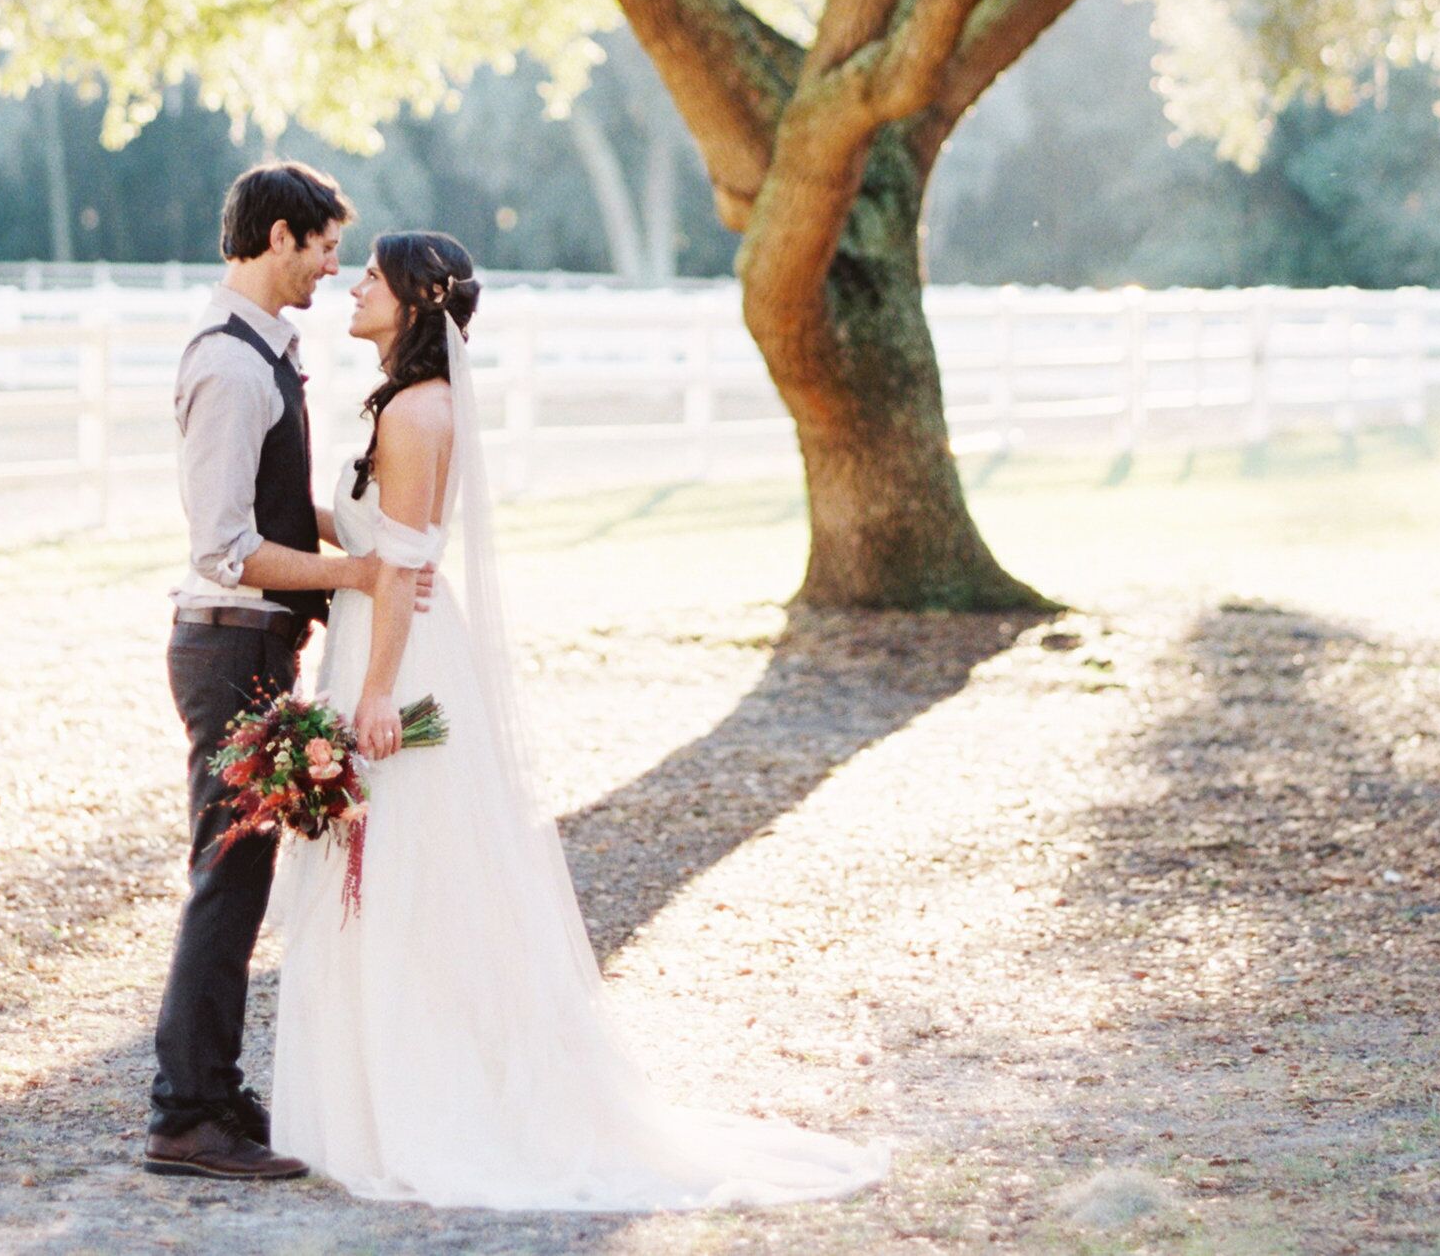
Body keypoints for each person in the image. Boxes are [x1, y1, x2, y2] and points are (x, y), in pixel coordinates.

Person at [268, 229, 890, 1210]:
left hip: (398, 656)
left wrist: (378, 691)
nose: (352, 286)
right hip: (374, 638)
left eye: (372, 277)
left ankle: (432, 1093)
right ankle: (382, 1088)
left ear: (417, 300)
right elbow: (374, 542)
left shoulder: (418, 412)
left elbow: (399, 566)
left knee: (412, 871)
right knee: (387, 868)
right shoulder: (402, 400)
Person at [143, 162, 431, 1183]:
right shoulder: (227, 365)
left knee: (243, 870)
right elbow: (224, 544)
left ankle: (213, 1092)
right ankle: (185, 1112)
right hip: (229, 642)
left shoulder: (267, 353)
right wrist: (357, 570)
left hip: (257, 641)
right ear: (275, 235)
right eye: (319, 246)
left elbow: (273, 510)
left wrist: (367, 539)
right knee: (227, 875)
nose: (331, 266)